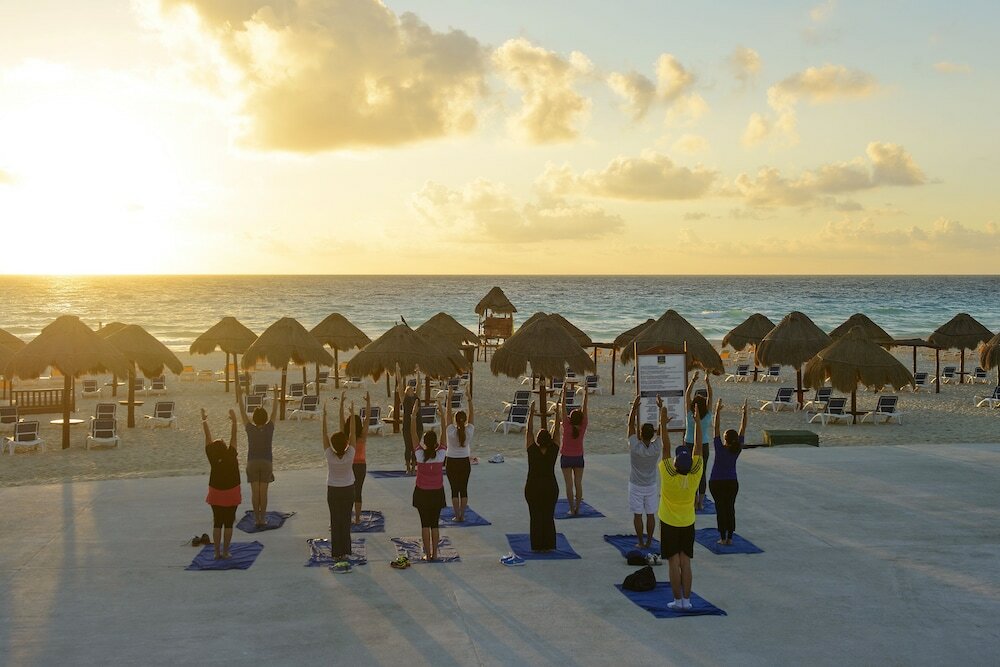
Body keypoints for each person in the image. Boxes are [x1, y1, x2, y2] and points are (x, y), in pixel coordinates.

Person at [658, 399, 703, 611]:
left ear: (675, 463)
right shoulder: (694, 475)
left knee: (673, 563)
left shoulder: (668, 474)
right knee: (686, 562)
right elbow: (698, 449)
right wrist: (697, 423)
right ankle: (687, 601)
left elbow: (665, 446)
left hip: (669, 522)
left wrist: (663, 422)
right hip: (688, 522)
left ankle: (677, 601)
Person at [234, 377, 278, 529]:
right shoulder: (269, 427)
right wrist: (277, 396)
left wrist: (239, 396)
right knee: (263, 493)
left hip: (252, 462)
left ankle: (256, 518)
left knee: (255, 493)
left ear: (254, 418)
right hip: (266, 462)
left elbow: (241, 411)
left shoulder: (250, 428)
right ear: (265, 419)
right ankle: (262, 519)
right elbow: (274, 411)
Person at [626, 394, 667, 549]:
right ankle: (649, 541)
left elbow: (630, 427)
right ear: (652, 435)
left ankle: (641, 541)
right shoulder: (657, 448)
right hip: (650, 484)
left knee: (637, 515)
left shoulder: (635, 447)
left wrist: (633, 409)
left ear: (641, 434)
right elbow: (662, 430)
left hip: (636, 484)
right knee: (650, 515)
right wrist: (660, 408)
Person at [201, 407, 241, 560]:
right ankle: (226, 552)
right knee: (229, 523)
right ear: (224, 447)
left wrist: (204, 420)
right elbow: (234, 436)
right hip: (231, 492)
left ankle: (217, 552)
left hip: (216, 492)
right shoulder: (231, 453)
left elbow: (207, 437)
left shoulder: (212, 456)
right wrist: (234, 421)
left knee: (217, 522)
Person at [410, 397, 447, 560]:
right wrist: (443, 415)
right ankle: (435, 554)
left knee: (425, 523)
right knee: (434, 524)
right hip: (437, 493)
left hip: (422, 493)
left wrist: (413, 415)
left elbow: (412, 433)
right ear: (436, 442)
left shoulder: (419, 454)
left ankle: (427, 553)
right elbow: (445, 433)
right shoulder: (440, 454)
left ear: (425, 441)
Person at [524, 402, 562, 552]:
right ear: (549, 439)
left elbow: (528, 431)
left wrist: (531, 413)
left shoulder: (532, 450)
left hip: (533, 486)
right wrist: (558, 413)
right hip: (550, 486)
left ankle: (537, 545)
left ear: (538, 440)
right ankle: (549, 544)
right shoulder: (553, 450)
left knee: (535, 516)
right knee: (548, 516)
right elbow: (558, 431)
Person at [710, 398, 747, 545]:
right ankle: (730, 537)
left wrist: (717, 411)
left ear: (725, 439)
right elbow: (743, 428)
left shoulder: (720, 448)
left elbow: (716, 428)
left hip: (717, 482)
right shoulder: (737, 449)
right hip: (732, 482)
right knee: (730, 508)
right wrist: (744, 413)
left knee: (720, 509)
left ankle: (722, 537)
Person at [323, 399, 356, 559]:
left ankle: (337, 552)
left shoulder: (329, 455)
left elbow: (324, 435)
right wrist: (352, 413)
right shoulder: (350, 454)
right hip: (348, 489)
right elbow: (353, 434)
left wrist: (324, 417)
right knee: (346, 520)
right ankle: (346, 551)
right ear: (346, 444)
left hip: (333, 491)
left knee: (335, 521)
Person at [444, 385, 474, 522]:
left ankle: (457, 516)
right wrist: (469, 399)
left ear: (456, 421)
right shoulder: (469, 431)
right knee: (464, 489)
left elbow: (447, 415)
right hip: (464, 462)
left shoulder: (450, 431)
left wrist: (449, 399)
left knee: (454, 490)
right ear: (465, 420)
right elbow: (472, 414)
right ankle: (462, 514)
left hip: (451, 461)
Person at [684, 371, 713, 510]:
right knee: (702, 472)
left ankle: (693, 499)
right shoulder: (707, 416)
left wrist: (693, 380)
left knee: (690, 472)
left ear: (693, 405)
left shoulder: (690, 414)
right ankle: (700, 503)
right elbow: (711, 397)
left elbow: (687, 396)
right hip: (704, 444)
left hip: (689, 444)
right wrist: (707, 382)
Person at [559, 383, 589, 515]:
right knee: (578, 484)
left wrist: (564, 393)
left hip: (566, 457)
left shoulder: (566, 425)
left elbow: (563, 406)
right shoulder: (583, 426)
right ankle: (578, 508)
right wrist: (585, 394)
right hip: (578, 457)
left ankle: (571, 509)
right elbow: (585, 407)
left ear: (571, 419)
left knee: (569, 485)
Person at [341, 390, 370, 525]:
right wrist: (368, 402)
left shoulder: (346, 437)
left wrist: (341, 404)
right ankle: (357, 518)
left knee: (348, 492)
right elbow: (368, 418)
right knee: (358, 492)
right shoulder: (362, 437)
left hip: (348, 466)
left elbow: (340, 420)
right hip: (361, 466)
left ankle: (347, 516)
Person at [400, 376, 422, 476]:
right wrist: (397, 372)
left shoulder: (417, 397)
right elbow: (400, 386)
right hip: (407, 426)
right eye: (408, 389)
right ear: (405, 392)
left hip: (418, 425)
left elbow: (419, 385)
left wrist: (418, 374)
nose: (411, 390)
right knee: (408, 447)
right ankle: (408, 467)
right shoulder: (404, 399)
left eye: (411, 389)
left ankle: (414, 467)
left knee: (416, 447)